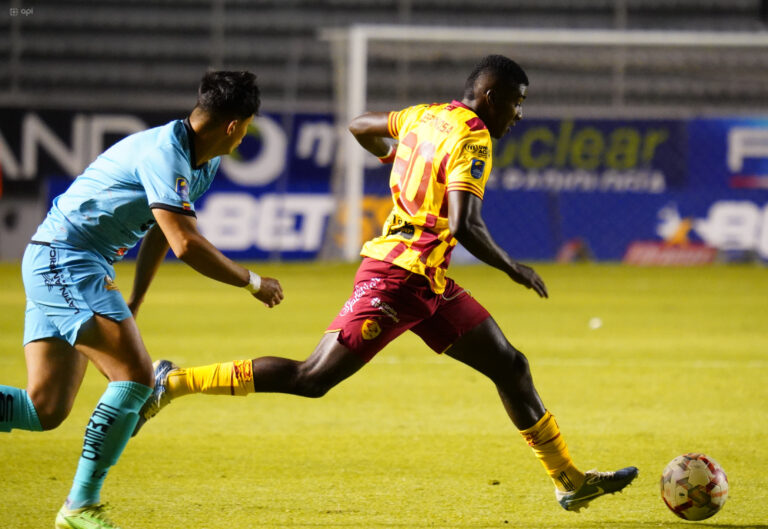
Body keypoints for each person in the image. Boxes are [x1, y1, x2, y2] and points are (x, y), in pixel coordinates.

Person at [138, 55, 637, 512]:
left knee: (510, 365)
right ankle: (173, 382)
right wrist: (513, 267)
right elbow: (465, 224)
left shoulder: (424, 115)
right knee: (312, 379)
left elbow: (359, 125)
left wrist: (392, 158)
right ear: (490, 97)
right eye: (517, 101)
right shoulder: (473, 137)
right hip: (398, 279)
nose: (519, 114)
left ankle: (569, 479)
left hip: (430, 281)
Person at [0, 70, 284, 529]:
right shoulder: (164, 153)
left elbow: (162, 229)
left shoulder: (201, 160)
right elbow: (187, 246)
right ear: (235, 125)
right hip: (66, 259)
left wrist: (137, 297)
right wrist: (253, 282)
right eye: (248, 124)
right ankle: (80, 507)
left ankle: (80, 506)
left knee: (43, 409)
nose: (246, 133)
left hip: (64, 261)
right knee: (134, 379)